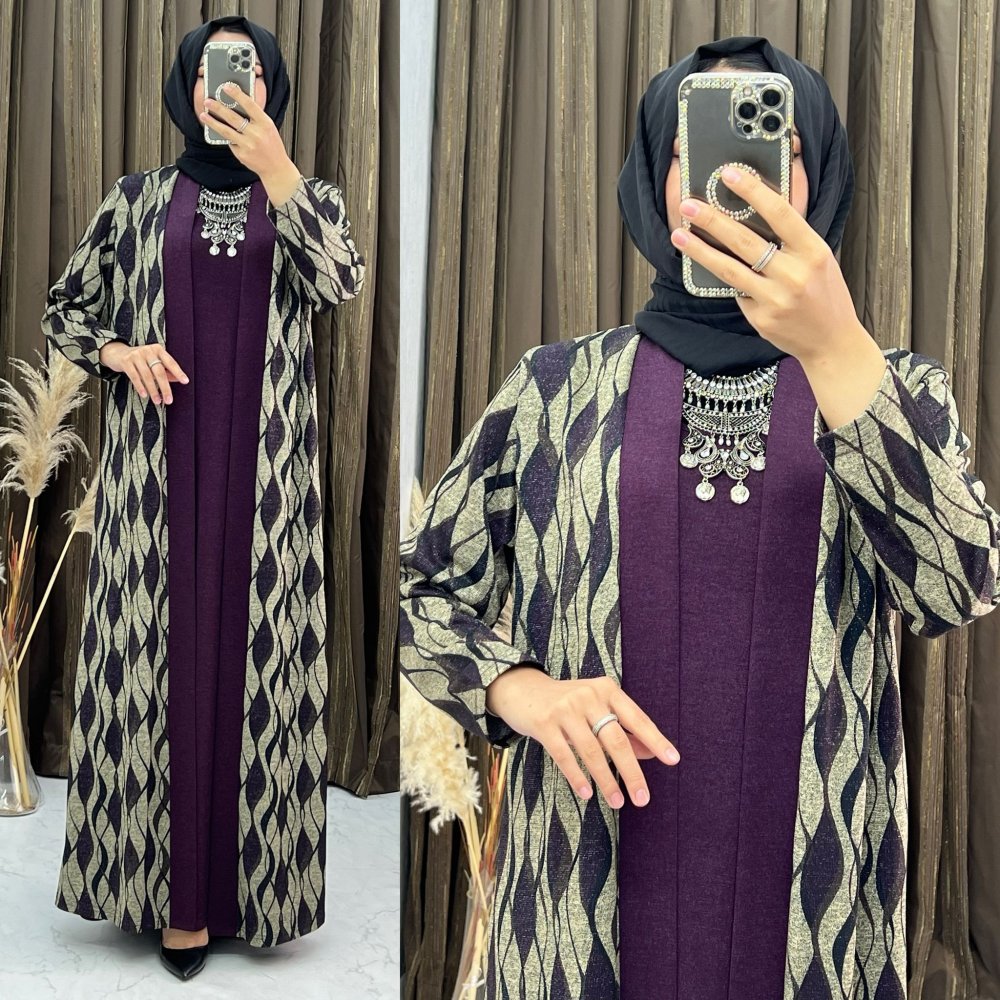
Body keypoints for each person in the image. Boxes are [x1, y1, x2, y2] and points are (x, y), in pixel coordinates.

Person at [399, 34, 1000, 1000]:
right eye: (697, 145)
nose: (734, 176)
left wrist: (837, 351)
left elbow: (956, 588)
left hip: (814, 905)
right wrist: (520, 690)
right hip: (583, 886)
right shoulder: (552, 389)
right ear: (655, 177)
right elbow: (418, 590)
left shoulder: (895, 390)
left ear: (818, 180)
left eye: (774, 147)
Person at [41, 15, 365, 981]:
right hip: (156, 476)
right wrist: (117, 352)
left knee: (254, 662)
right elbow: (66, 311)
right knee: (161, 659)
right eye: (217, 70)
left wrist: (279, 171)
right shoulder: (137, 200)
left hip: (266, 485)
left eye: (251, 69)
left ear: (272, 88)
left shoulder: (306, 197)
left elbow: (339, 281)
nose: (234, 84)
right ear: (187, 85)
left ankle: (248, 893)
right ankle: (171, 898)